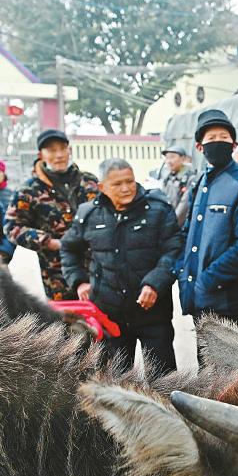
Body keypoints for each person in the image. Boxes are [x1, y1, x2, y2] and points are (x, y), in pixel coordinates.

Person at [61, 159, 182, 374]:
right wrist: (79, 281)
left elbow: (173, 251)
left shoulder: (158, 210)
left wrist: (154, 284)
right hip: (109, 315)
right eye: (117, 184)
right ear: (102, 187)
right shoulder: (89, 214)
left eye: (130, 181)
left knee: (162, 380)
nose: (126, 188)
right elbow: (68, 249)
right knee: (115, 381)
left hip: (153, 313)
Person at [178, 109, 238, 332]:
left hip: (232, 303)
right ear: (200, 147)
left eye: (224, 138)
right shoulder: (198, 184)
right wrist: (181, 270)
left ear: (234, 145)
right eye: (211, 138)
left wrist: (207, 279)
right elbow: (187, 233)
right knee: (206, 365)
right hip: (200, 302)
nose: (218, 142)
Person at [4, 129, 98, 300]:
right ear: (41, 154)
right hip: (58, 272)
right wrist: (48, 242)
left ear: (69, 150)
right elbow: (12, 227)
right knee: (69, 321)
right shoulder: (29, 190)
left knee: (103, 318)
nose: (59, 155)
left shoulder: (89, 181)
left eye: (62, 149)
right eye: (52, 150)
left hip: (97, 265)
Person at [158, 145, 197, 227]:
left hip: (180, 225)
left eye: (172, 157)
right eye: (167, 158)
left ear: (183, 159)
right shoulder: (167, 177)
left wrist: (172, 225)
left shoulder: (190, 178)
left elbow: (184, 207)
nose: (169, 161)